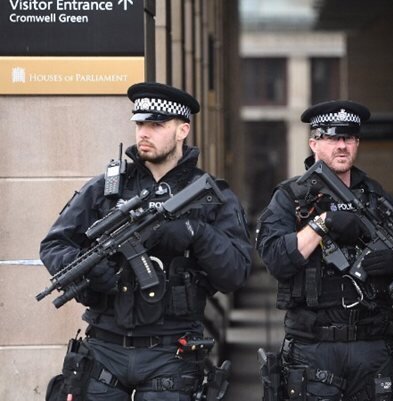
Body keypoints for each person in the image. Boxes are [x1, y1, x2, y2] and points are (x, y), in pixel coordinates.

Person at [39, 82, 252, 401]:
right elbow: (54, 246)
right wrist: (88, 274)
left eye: (156, 124)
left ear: (182, 130)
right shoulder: (106, 189)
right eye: (140, 124)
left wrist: (196, 234)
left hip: (172, 352)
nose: (144, 133)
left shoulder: (209, 195)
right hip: (105, 349)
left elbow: (235, 272)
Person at [255, 100, 393, 401]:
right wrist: (323, 224)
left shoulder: (376, 198)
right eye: (332, 137)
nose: (341, 146)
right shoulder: (290, 198)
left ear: (357, 142)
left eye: (348, 138)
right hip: (313, 348)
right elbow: (276, 259)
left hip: (372, 347)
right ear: (313, 143)